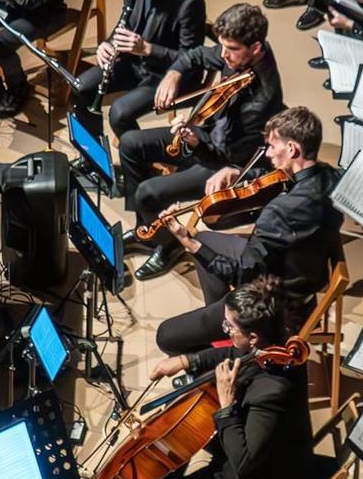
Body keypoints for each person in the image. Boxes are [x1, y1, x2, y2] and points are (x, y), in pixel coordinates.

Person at [125, 277, 322, 479]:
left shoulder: (273, 389)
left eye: (229, 327)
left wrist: (227, 402)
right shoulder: (274, 344)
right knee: (180, 443)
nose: (224, 330)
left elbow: (243, 462)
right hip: (251, 450)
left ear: (253, 337)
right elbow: (234, 355)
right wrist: (187, 360)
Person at [146, 106, 341, 352]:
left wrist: (188, 242)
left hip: (274, 301)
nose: (268, 154)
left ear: (291, 149)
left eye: (272, 146)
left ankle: (224, 349)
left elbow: (241, 273)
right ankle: (223, 324)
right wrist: (239, 172)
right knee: (208, 239)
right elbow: (277, 178)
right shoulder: (332, 178)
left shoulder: (279, 213)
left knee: (166, 335)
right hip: (302, 274)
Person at [121, 3, 286, 268]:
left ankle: (169, 245)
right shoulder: (238, 52)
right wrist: (173, 75)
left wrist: (193, 143)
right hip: (208, 135)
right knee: (130, 144)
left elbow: (222, 157)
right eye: (222, 46)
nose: (223, 55)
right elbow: (196, 55)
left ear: (255, 48)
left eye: (231, 49)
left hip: (220, 161)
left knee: (147, 192)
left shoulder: (260, 102)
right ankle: (148, 228)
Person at [71, 0, 208, 138]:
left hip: (167, 74)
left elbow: (192, 59)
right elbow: (124, 23)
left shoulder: (189, 2)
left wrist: (147, 48)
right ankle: (95, 156)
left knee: (119, 113)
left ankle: (139, 160)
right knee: (81, 88)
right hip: (132, 62)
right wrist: (106, 44)